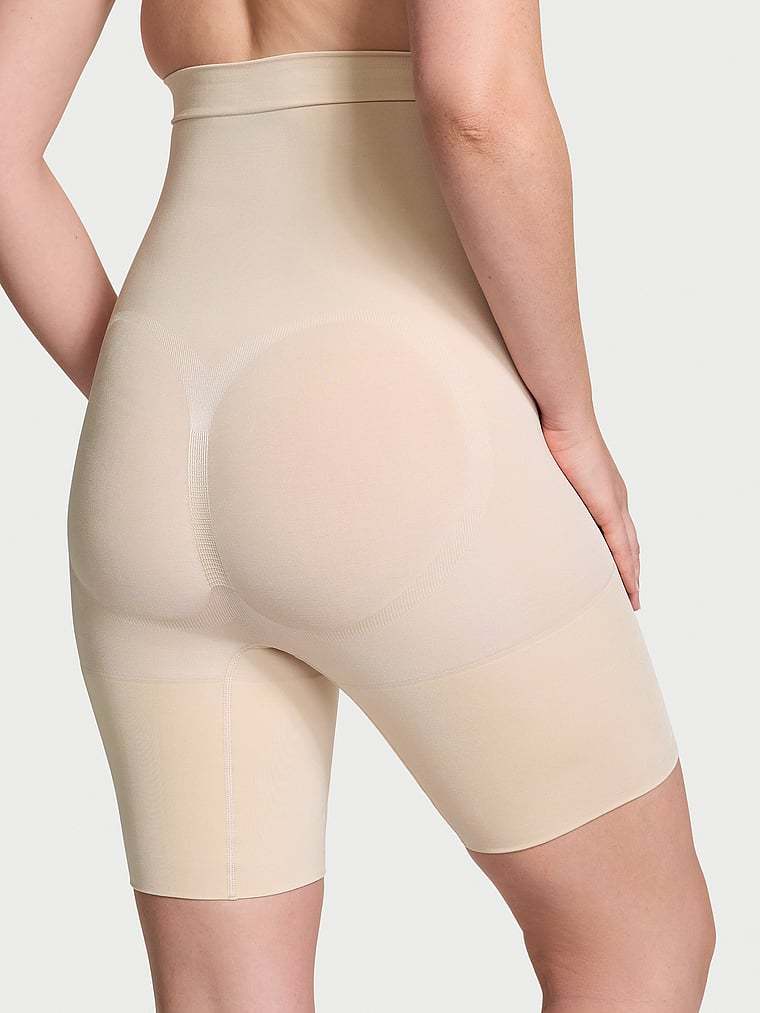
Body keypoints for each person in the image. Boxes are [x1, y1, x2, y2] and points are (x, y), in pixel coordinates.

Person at [0, 2, 714, 1010]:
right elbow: (476, 105)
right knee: (637, 938)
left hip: (152, 426)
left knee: (224, 992)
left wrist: (138, 395)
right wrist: (571, 417)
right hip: (399, 410)